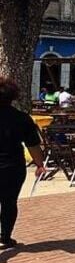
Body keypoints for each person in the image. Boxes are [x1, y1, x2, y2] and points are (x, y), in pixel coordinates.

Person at [0, 77, 46, 249]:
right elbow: (33, 145)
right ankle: (5, 236)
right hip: (12, 167)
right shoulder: (22, 118)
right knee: (9, 202)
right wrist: (40, 164)